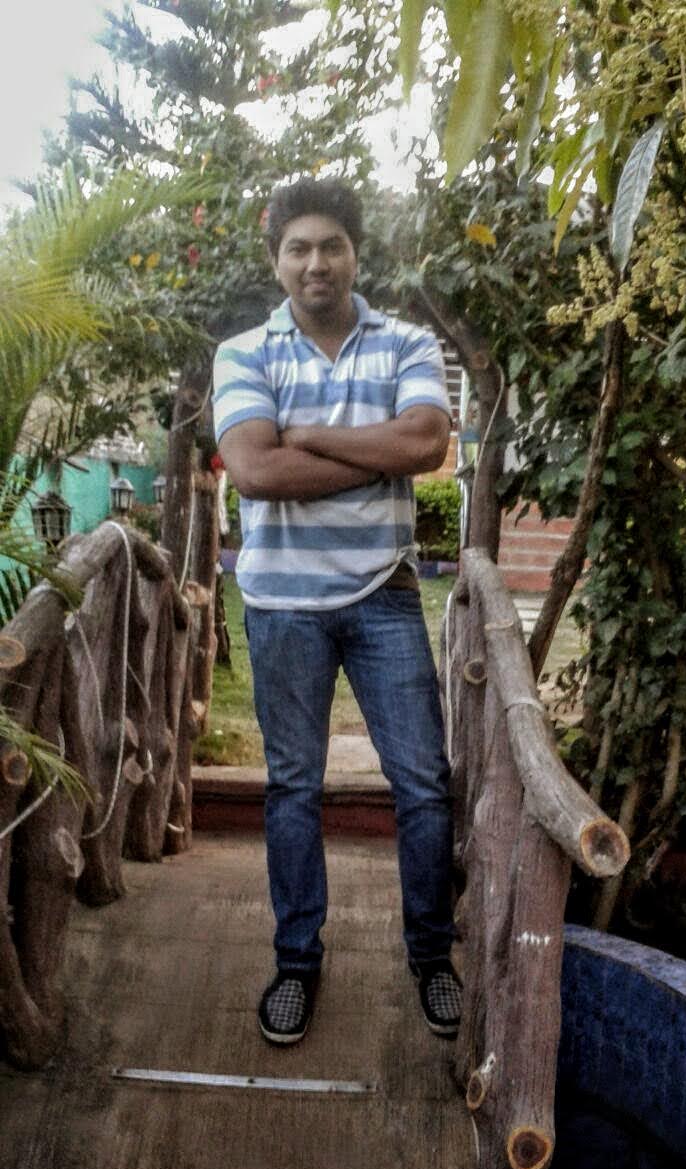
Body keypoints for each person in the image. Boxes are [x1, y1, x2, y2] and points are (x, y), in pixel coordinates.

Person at [213, 176, 461, 1046]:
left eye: (331, 246)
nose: (315, 262)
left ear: (355, 253)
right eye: (299, 248)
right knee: (293, 789)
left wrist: (310, 436)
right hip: (282, 604)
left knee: (424, 784)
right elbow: (255, 471)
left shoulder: (407, 343)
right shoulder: (244, 353)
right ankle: (296, 963)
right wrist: (374, 452)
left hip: (385, 592)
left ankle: (432, 955)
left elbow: (425, 443)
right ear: (276, 261)